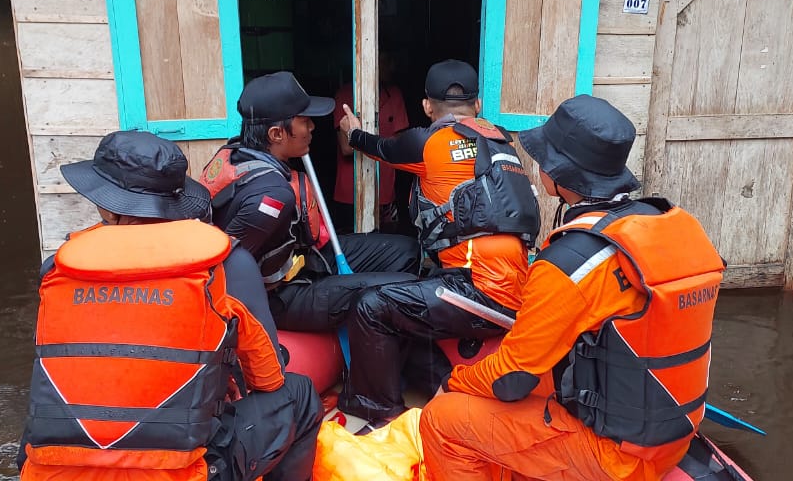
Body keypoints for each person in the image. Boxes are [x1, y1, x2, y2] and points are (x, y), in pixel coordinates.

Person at [418, 95, 727, 481]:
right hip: (675, 435)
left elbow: (511, 379)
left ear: (558, 174)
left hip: (616, 460)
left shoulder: (570, 263)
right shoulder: (667, 226)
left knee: (441, 420)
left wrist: (452, 383)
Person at [15, 130, 320, 481]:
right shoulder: (222, 265)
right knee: (299, 393)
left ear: (105, 205)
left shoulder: (55, 271)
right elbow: (268, 378)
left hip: (49, 472)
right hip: (180, 474)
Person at [335, 59, 541, 424]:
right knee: (411, 295)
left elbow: (379, 147)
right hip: (519, 286)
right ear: (477, 105)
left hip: (480, 291)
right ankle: (445, 389)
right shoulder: (500, 140)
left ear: (427, 106)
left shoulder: (426, 143)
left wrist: (351, 133)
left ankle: (376, 412)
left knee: (370, 305)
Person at [200, 71, 420, 335]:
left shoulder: (240, 151)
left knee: (408, 250)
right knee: (403, 289)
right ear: (276, 134)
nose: (313, 127)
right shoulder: (269, 197)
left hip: (304, 258)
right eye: (305, 121)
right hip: (283, 295)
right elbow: (227, 271)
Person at [334, 51, 410, 234]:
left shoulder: (394, 94)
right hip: (350, 193)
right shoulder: (345, 94)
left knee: (387, 246)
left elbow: (403, 145)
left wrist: (360, 139)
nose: (392, 67)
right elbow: (346, 148)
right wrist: (385, 144)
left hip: (385, 191)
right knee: (350, 247)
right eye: (386, 60)